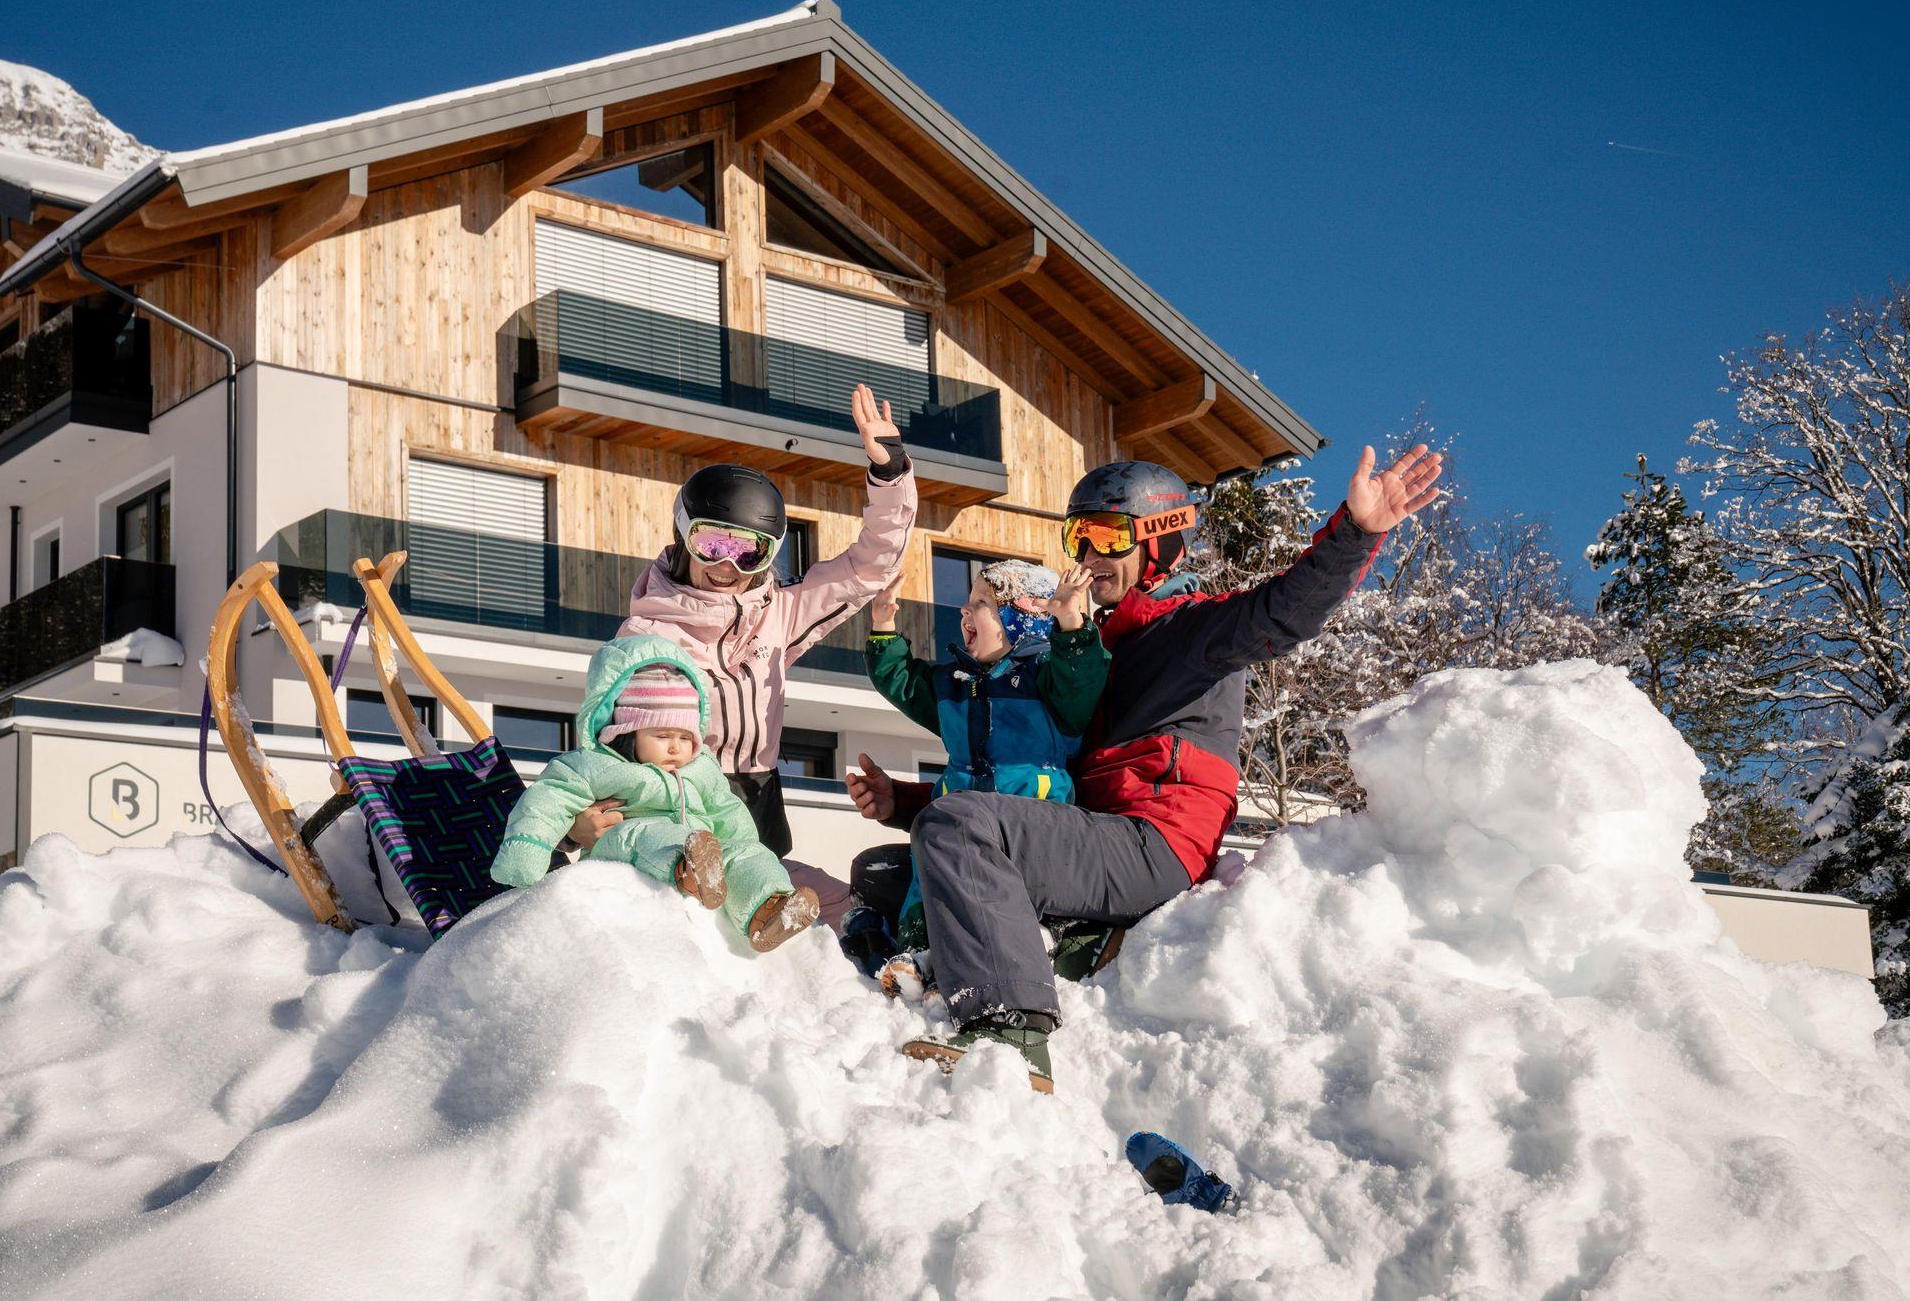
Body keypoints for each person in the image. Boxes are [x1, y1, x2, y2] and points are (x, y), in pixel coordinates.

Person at [846, 444, 1443, 1093]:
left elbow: (1284, 611)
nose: (1088, 553)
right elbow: (1032, 769)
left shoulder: (1191, 631)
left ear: (1162, 542)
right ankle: (1072, 945)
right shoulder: (1088, 648)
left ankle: (1011, 1034)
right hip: (1090, 836)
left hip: (1154, 842)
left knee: (955, 833)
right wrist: (910, 805)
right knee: (886, 872)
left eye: (1108, 535)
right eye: (1078, 536)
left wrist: (1355, 533)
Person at [601, 382, 917, 872]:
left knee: (777, 901)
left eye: (750, 552)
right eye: (713, 544)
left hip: (760, 792)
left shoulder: (777, 612)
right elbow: (609, 735)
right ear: (683, 535)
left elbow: (869, 567)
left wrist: (890, 472)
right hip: (681, 796)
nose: (728, 566)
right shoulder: (645, 636)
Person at [490, 635, 821, 951]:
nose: (676, 747)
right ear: (627, 732)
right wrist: (526, 852)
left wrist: (747, 849)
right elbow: (548, 799)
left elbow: (725, 809)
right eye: (662, 735)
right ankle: (688, 871)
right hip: (625, 844)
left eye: (685, 737)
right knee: (649, 832)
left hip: (703, 847)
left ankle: (769, 909)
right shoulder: (598, 765)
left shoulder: (701, 768)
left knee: (744, 854)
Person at [854, 559, 1106, 969]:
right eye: (968, 601)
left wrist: (1070, 623)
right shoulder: (955, 686)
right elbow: (903, 680)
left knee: (1008, 891)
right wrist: (883, 626)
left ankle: (1042, 937)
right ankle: (917, 957)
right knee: (929, 880)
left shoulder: (1048, 681)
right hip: (954, 823)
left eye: (981, 603)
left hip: (1028, 822)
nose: (964, 610)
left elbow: (1082, 677)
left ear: (1020, 618)